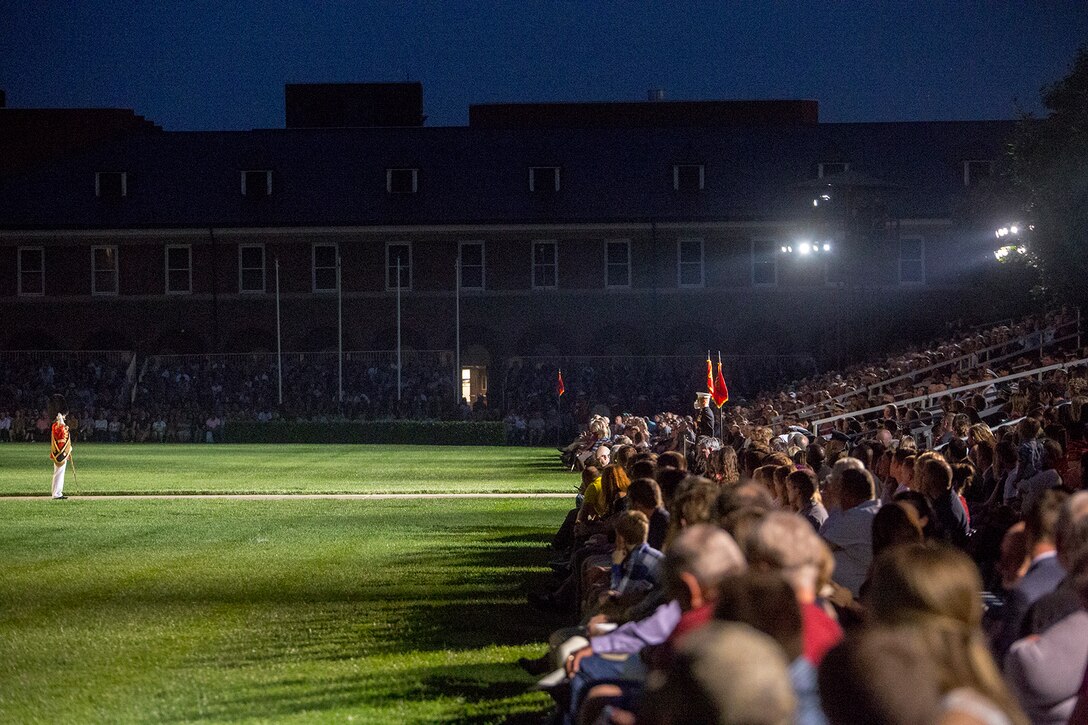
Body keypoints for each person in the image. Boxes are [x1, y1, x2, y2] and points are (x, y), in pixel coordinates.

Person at [48, 394, 71, 500]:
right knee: (59, 473)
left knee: (58, 473)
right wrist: (67, 451)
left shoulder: (55, 425)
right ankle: (57, 494)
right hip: (60, 452)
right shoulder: (60, 426)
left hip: (59, 452)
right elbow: (62, 440)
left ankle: (57, 492)